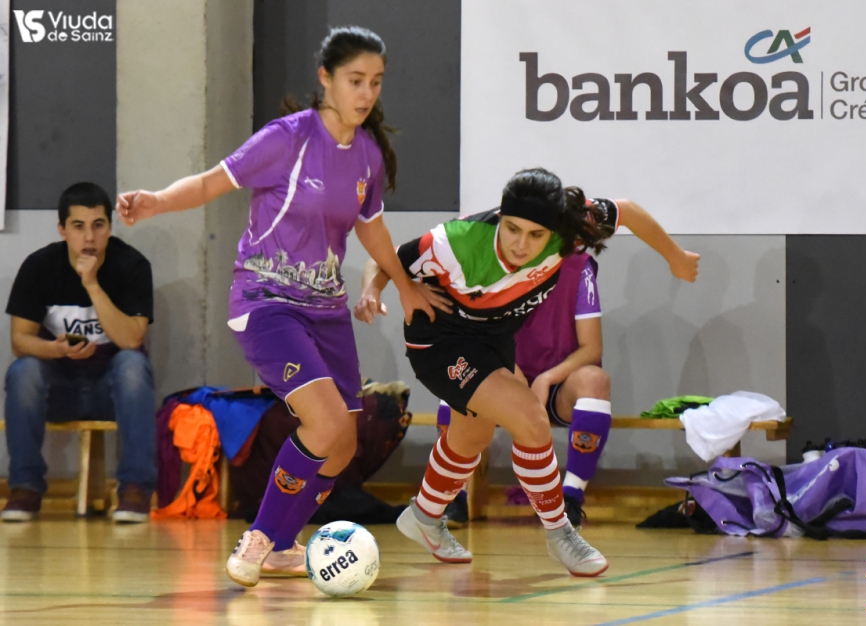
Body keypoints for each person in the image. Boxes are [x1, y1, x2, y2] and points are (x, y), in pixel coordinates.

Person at [116, 26, 435, 587]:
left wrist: (403, 287)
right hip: (266, 302)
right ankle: (259, 539)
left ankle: (284, 545)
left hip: (326, 311)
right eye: (355, 80)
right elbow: (211, 183)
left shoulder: (367, 154)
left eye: (376, 82)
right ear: (325, 78)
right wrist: (156, 201)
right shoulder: (286, 139)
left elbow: (371, 227)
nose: (366, 93)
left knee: (343, 443)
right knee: (324, 422)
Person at [356, 167, 699, 576]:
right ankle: (560, 533)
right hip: (441, 341)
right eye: (512, 229)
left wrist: (676, 257)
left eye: (536, 235)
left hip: (494, 337)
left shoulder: (570, 227)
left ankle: (424, 515)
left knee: (473, 436)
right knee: (530, 419)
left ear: (554, 231)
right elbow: (383, 260)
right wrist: (384, 289)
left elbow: (627, 211)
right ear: (501, 217)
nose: (521, 244)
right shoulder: (458, 241)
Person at [3, 182, 157, 524]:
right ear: (62, 230)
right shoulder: (40, 266)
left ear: (110, 227)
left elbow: (132, 339)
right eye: (78, 226)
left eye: (98, 225)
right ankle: (25, 487)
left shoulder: (131, 265)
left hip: (110, 390)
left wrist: (92, 284)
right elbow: (20, 341)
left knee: (133, 364)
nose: (89, 237)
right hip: (59, 388)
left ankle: (135, 487)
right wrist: (54, 348)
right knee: (22, 371)